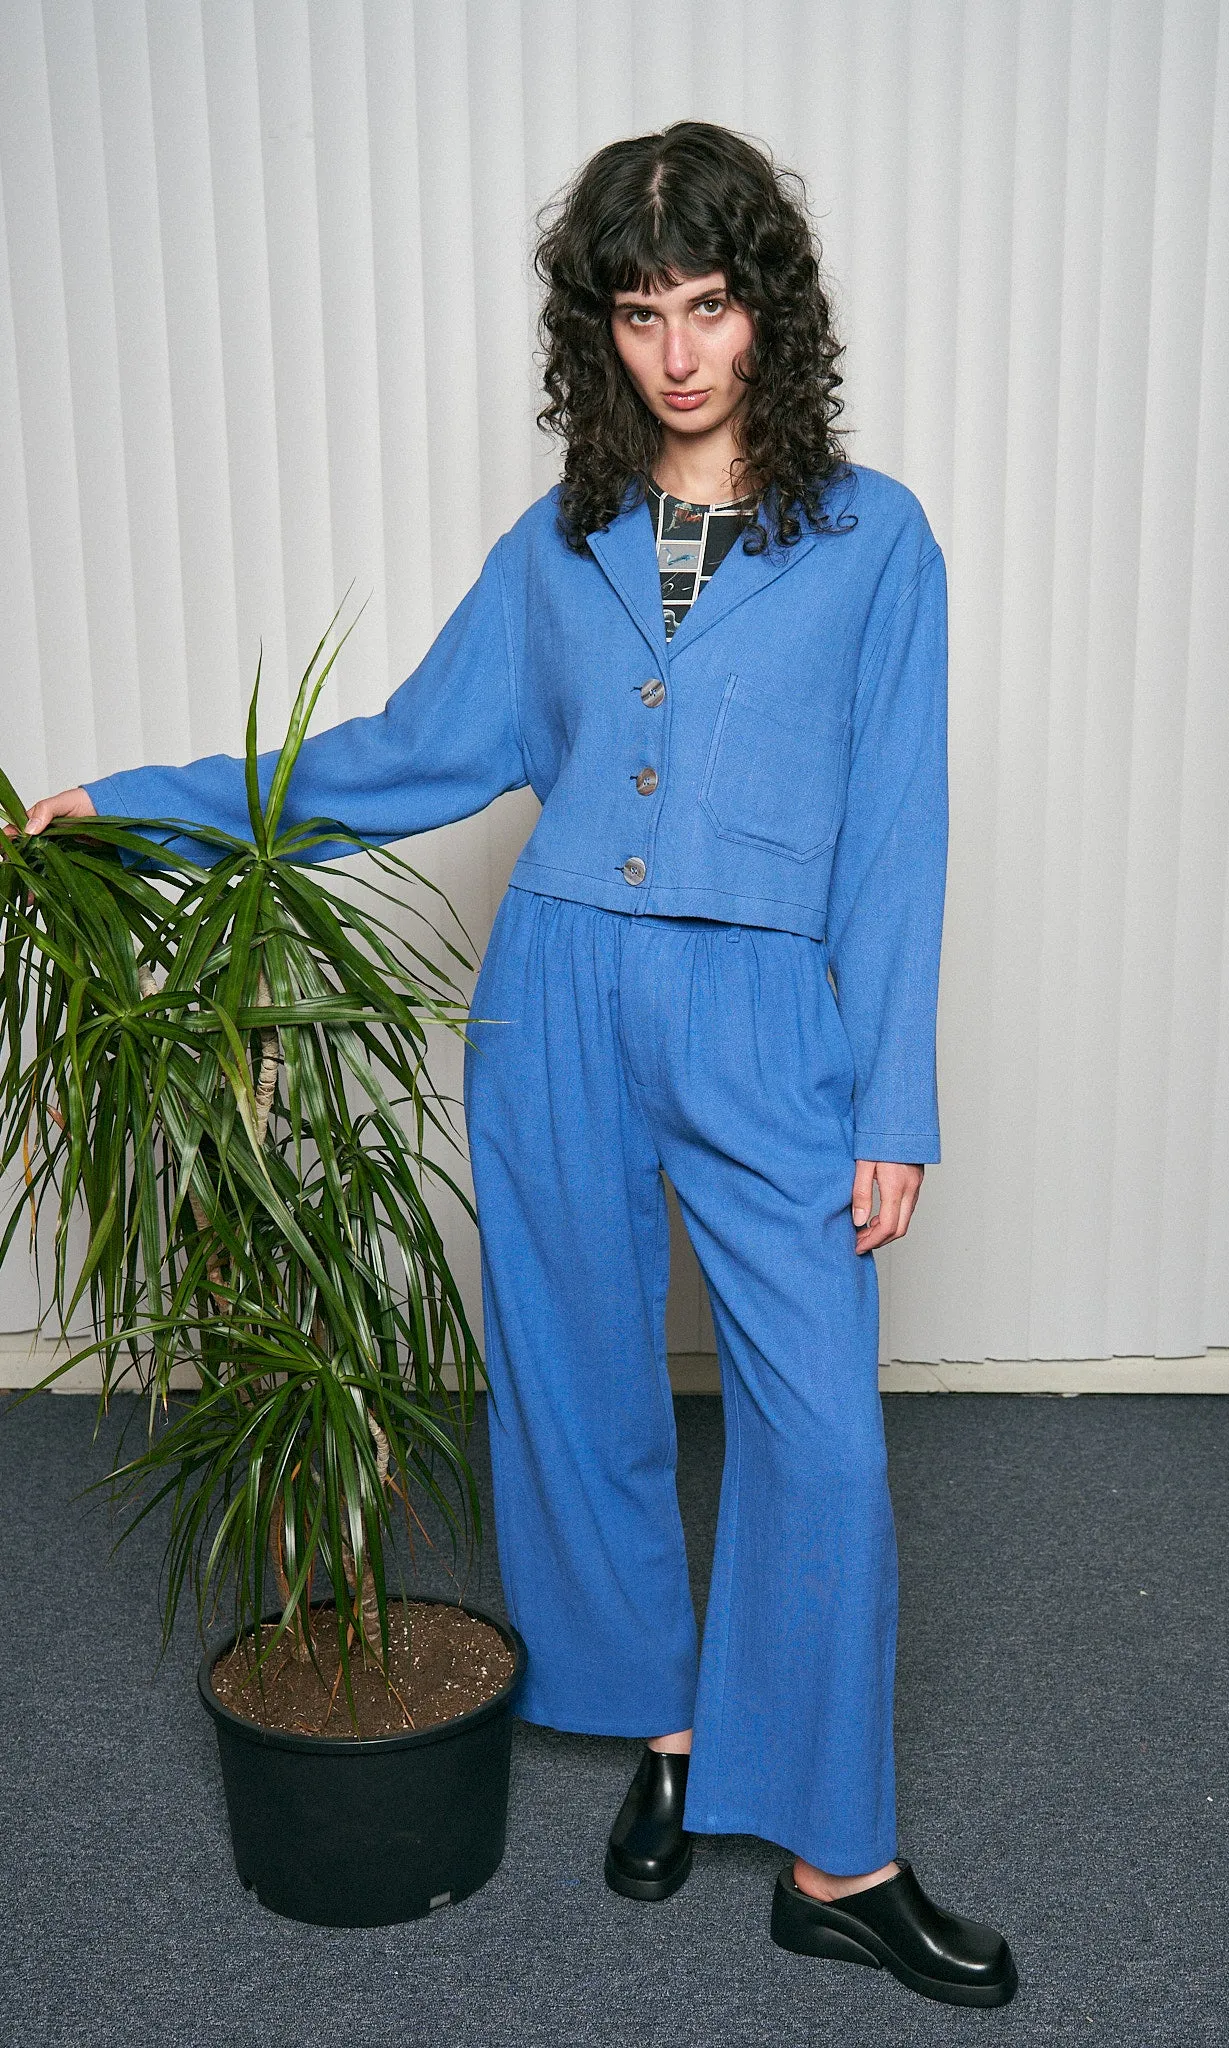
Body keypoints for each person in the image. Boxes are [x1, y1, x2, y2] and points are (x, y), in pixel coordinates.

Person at [24, 122, 1016, 2008]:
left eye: (709, 306)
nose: (677, 354)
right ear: (599, 334)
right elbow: (407, 755)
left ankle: (838, 1857)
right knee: (575, 1398)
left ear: (766, 315)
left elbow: (900, 826)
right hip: (554, 997)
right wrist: (134, 816)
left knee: (816, 1429)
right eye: (639, 313)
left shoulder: (872, 538)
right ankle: (668, 1746)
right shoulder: (558, 540)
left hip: (759, 1018)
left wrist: (890, 1098)